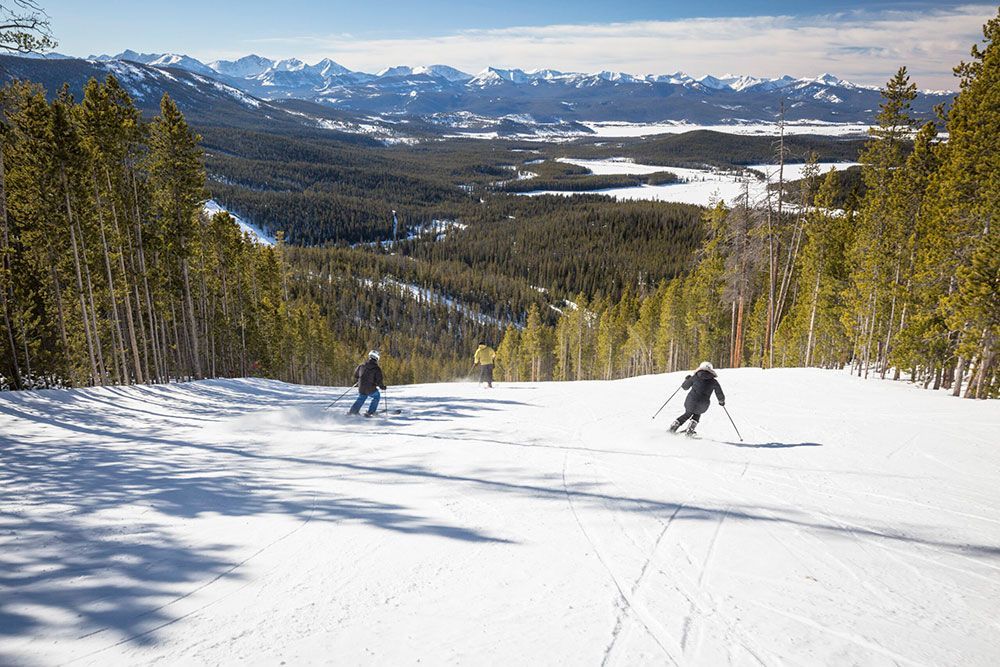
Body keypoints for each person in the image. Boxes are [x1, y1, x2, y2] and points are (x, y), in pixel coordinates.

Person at [670, 361, 725, 436]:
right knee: (697, 413)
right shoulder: (714, 381)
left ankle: (674, 426)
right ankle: (690, 429)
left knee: (687, 414)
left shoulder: (695, 377)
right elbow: (719, 393)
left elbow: (685, 387)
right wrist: (721, 401)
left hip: (691, 401)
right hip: (703, 403)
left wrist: (687, 380)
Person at [349, 350, 386, 417]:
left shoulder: (361, 365)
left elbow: (355, 375)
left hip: (361, 388)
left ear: (369, 356)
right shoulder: (376, 368)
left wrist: (360, 379)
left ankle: (353, 411)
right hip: (370, 389)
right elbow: (379, 380)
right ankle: (371, 412)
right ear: (377, 358)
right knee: (376, 396)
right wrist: (382, 386)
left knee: (362, 397)